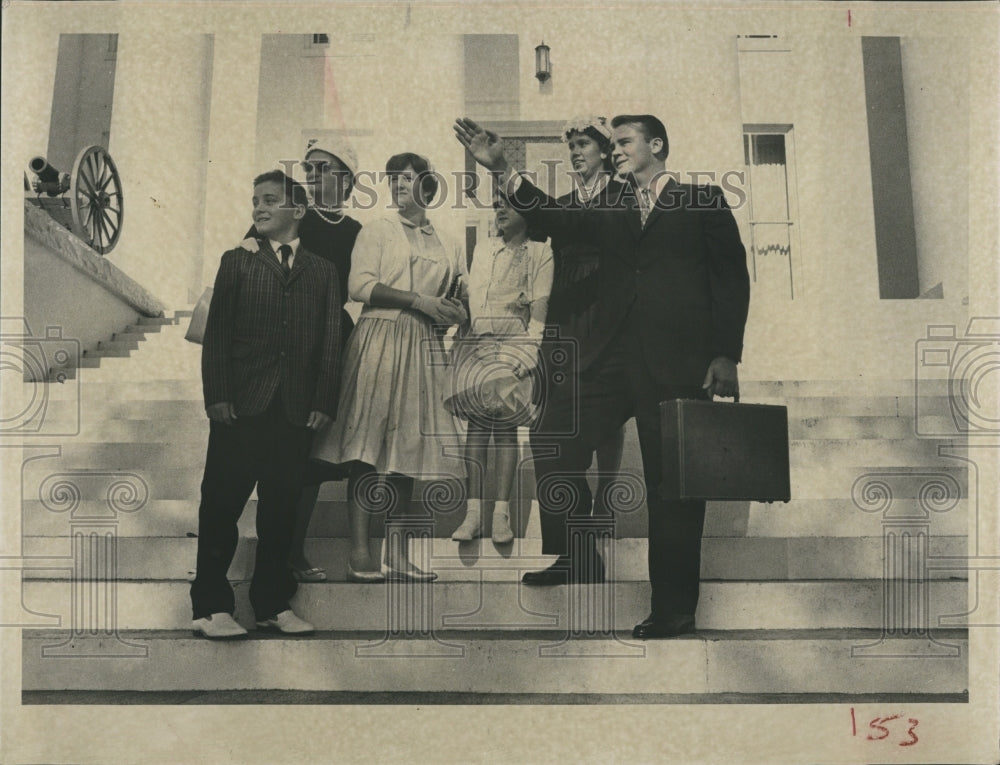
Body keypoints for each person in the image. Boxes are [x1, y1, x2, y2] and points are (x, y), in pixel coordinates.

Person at [455, 114, 750, 638]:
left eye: (624, 141)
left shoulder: (702, 200)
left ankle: (674, 608)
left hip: (676, 364)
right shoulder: (609, 206)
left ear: (657, 145)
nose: (614, 151)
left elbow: (730, 277)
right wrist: (502, 168)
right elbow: (551, 217)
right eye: (610, 144)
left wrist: (725, 353)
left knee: (672, 485)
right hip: (606, 359)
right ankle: (578, 555)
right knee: (550, 441)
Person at [191, 170, 341, 639]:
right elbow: (215, 335)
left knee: (280, 512)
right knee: (221, 506)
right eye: (255, 200)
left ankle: (273, 604)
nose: (258, 207)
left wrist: (323, 401)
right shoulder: (236, 261)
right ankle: (210, 608)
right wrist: (217, 394)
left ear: (297, 210)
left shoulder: (323, 271)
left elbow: (331, 344)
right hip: (240, 408)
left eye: (270, 200)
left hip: (295, 411)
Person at [312, 152, 467, 582]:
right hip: (380, 339)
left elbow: (460, 290)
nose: (398, 185)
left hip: (425, 346)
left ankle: (398, 554)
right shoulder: (377, 230)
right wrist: (419, 301)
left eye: (406, 178)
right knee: (367, 447)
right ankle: (361, 552)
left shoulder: (449, 240)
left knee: (409, 451)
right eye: (392, 179)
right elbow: (359, 285)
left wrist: (455, 311)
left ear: (428, 185)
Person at [240, 137, 362, 583]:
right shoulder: (289, 217)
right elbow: (246, 267)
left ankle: (291, 551)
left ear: (346, 180)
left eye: (322, 169)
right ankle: (276, 552)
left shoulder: (356, 232)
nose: (310, 177)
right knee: (274, 454)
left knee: (309, 457)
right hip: (276, 346)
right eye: (307, 169)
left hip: (328, 347)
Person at [524, 115, 627, 583]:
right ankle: (572, 553)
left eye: (584, 143)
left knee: (573, 438)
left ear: (605, 150)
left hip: (608, 335)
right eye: (572, 146)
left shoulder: (624, 196)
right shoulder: (563, 206)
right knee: (547, 442)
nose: (576, 152)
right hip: (563, 336)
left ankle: (583, 548)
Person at [446, 196, 553, 544]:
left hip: (514, 346)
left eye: (511, 205)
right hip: (478, 343)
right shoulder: (483, 249)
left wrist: (525, 356)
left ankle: (500, 516)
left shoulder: (540, 252)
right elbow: (476, 297)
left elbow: (539, 309)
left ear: (529, 213)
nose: (501, 210)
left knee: (506, 429)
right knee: (477, 428)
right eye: (497, 205)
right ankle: (473, 513)